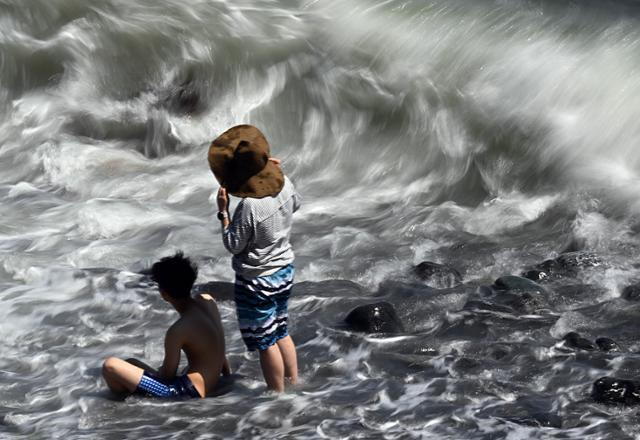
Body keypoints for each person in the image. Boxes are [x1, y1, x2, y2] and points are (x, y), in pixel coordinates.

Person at [208, 124, 300, 392]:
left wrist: (223, 213)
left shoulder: (249, 206)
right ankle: (295, 382)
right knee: (281, 329)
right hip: (284, 270)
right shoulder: (285, 183)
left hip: (258, 279)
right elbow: (298, 204)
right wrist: (276, 172)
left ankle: (277, 396)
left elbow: (234, 245)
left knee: (264, 341)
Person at [102, 252, 230, 399]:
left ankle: (126, 404)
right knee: (130, 364)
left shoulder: (179, 330)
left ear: (164, 294)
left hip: (185, 393)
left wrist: (158, 372)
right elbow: (219, 348)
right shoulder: (208, 301)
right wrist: (227, 377)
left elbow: (167, 377)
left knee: (110, 366)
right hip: (208, 383)